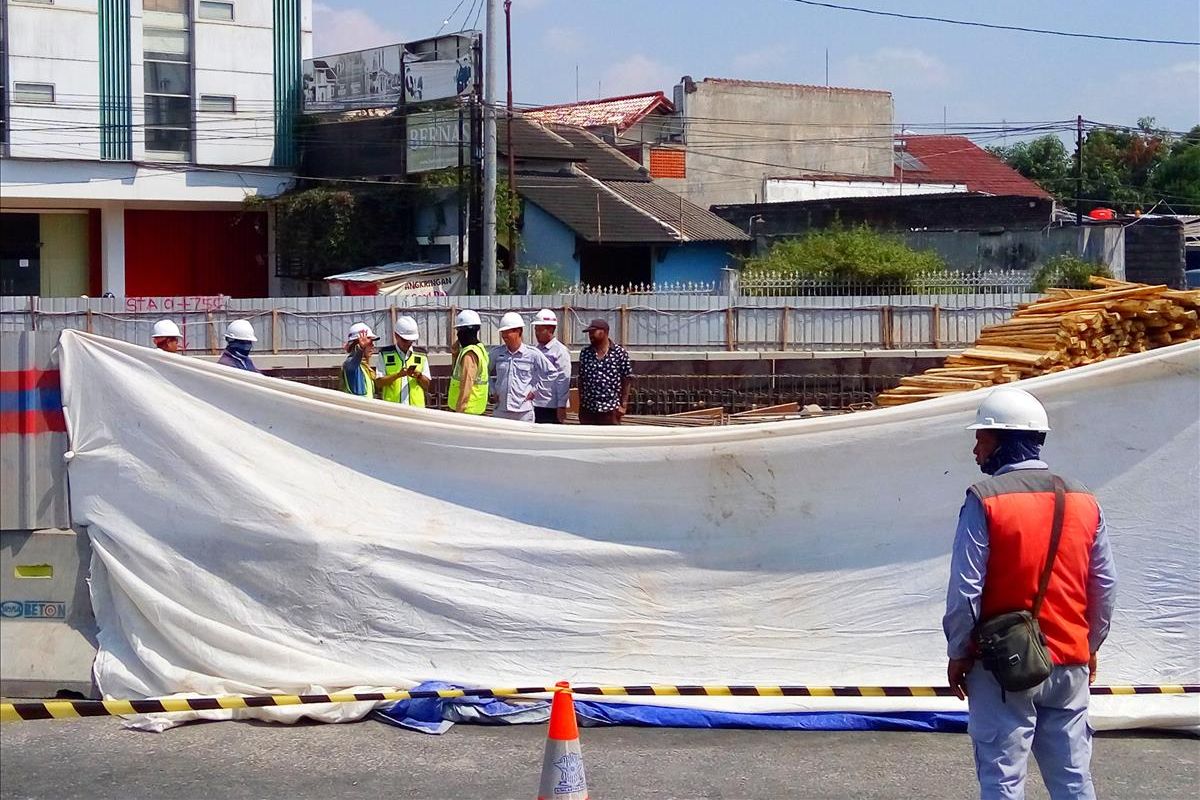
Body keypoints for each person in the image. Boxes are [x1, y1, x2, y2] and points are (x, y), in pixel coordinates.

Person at [944, 387, 1117, 800]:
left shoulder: (984, 501)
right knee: (1074, 779)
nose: (975, 450)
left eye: (982, 439)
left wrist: (958, 652)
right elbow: (1104, 585)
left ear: (1004, 440)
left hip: (1003, 664)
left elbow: (966, 591)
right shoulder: (1084, 499)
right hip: (1070, 661)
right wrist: (1089, 644)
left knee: (1003, 777)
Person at [488, 311, 557, 423]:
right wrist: (491, 390)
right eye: (502, 332)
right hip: (501, 411)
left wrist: (535, 391)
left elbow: (551, 372)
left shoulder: (532, 354)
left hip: (523, 412)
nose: (504, 336)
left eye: (507, 332)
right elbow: (482, 371)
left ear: (518, 331)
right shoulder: (496, 353)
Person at [576, 318, 632, 425]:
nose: (590, 335)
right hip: (588, 409)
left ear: (604, 331)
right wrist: (581, 403)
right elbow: (581, 379)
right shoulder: (585, 353)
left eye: (594, 332)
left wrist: (623, 405)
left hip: (610, 409)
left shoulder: (619, 353)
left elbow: (627, 379)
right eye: (589, 333)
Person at [377, 315, 431, 407]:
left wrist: (419, 376)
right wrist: (398, 375)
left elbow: (427, 385)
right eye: (405, 340)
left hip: (416, 410)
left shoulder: (421, 355)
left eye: (411, 340)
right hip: (393, 410)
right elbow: (379, 383)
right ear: (396, 336)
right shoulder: (385, 354)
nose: (408, 343)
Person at [531, 309, 572, 424]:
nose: (537, 333)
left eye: (540, 330)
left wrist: (561, 406)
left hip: (551, 406)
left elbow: (563, 379)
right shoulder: (536, 350)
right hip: (535, 403)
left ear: (550, 329)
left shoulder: (560, 351)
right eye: (536, 329)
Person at [447, 309, 490, 414]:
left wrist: (460, 410)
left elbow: (466, 384)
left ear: (464, 332)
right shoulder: (479, 348)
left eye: (459, 331)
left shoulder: (469, 354)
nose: (458, 335)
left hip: (467, 410)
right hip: (473, 409)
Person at [340, 322, 383, 398]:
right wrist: (361, 349)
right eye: (369, 343)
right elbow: (352, 365)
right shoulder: (350, 364)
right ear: (358, 344)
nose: (373, 346)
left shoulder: (364, 367)